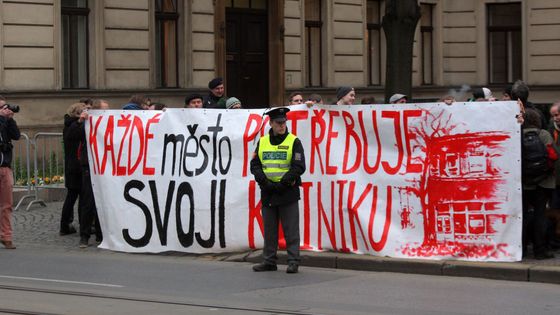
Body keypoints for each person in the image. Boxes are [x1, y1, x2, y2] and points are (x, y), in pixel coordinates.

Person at [250, 107, 306, 273]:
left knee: (291, 230)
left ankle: (293, 261)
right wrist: (265, 182)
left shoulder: (294, 141)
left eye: (284, 122)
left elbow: (299, 167)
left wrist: (283, 183)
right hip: (268, 191)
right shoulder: (262, 141)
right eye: (278, 123)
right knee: (269, 230)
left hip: (287, 191)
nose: (282, 125)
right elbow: (255, 165)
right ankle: (269, 261)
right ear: (271, 123)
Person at [521, 108, 556, 259]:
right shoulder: (544, 134)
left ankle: (521, 249)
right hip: (543, 183)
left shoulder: (516, 135)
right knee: (540, 216)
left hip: (524, 183)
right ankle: (540, 251)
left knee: (522, 217)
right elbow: (554, 156)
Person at [76, 99, 110, 248]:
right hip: (90, 166)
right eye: (105, 109)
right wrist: (80, 121)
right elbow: (72, 136)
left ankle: (101, 235)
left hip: (106, 166)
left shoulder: (109, 122)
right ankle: (84, 236)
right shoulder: (85, 123)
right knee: (88, 202)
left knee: (104, 201)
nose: (108, 112)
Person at [59, 102, 86, 236]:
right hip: (76, 166)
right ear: (77, 113)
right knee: (75, 197)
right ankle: (71, 226)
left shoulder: (71, 124)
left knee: (74, 197)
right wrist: (80, 121)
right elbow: (72, 137)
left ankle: (67, 226)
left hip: (73, 165)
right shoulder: (73, 125)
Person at [0, 96, 21, 249]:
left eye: (5, 106)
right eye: (1, 107)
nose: (5, 109)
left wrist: (11, 119)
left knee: (6, 205)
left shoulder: (5, 122)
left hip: (5, 167)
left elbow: (16, 136)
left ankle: (6, 236)